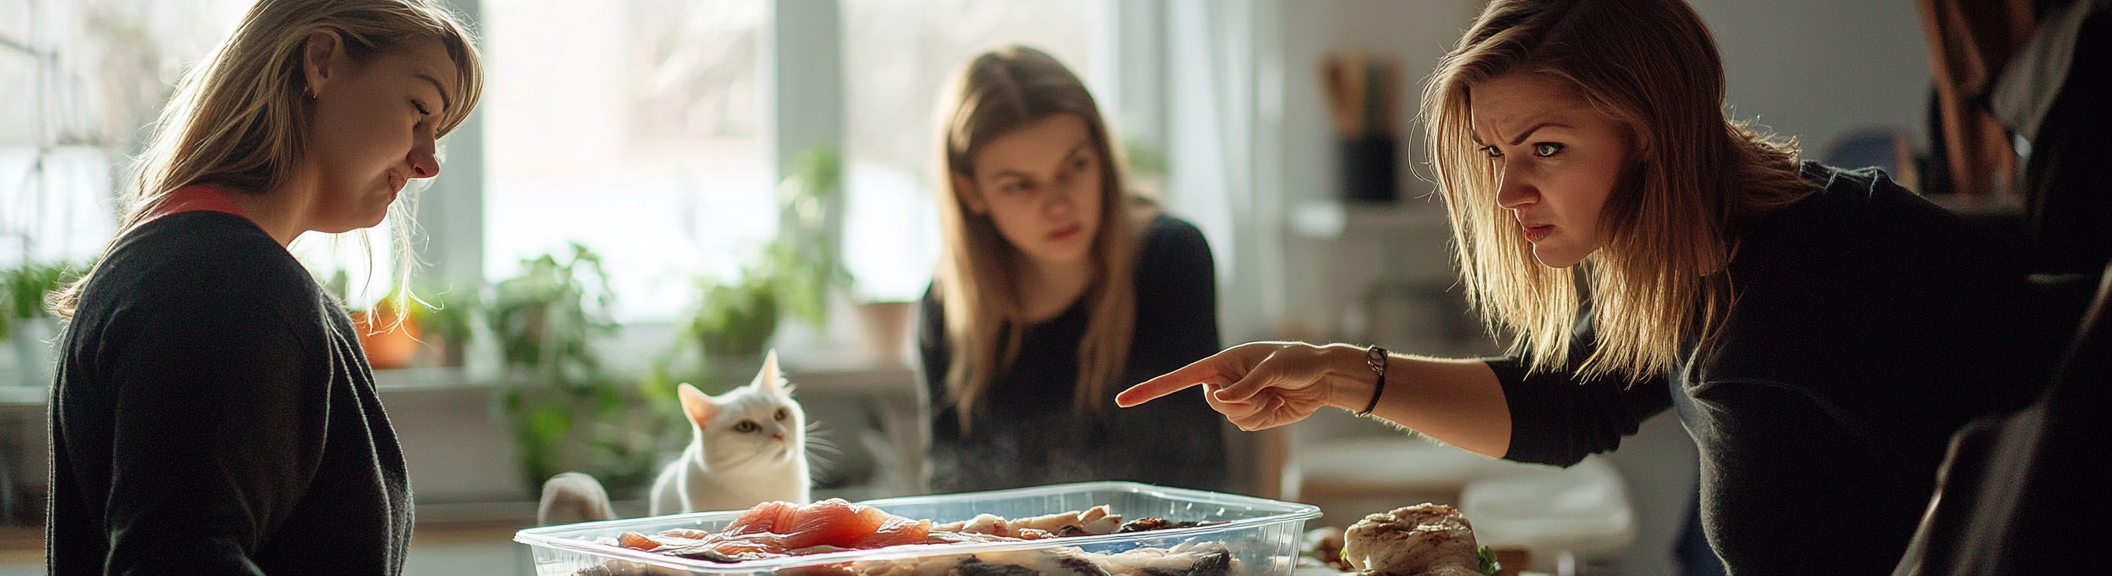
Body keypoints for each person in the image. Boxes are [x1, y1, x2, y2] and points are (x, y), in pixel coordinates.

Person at [1117, 0, 2048, 573]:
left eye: (1546, 148)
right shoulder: (1699, 258)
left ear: (1651, 130)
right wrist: (1339, 373)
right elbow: (1566, 402)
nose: (1508, 190)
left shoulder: (1825, 275)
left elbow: (2025, 507)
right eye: (1494, 152)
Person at [45, 0, 482, 572]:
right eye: (419, 108)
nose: (429, 162)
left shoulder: (208, 268)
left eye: (438, 133)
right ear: (322, 61)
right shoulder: (221, 283)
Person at [918, 45, 1228, 493]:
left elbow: (1196, 471)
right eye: (1020, 185)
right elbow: (948, 489)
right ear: (972, 193)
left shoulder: (1169, 258)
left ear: (1101, 156)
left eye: (1075, 165)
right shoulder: (945, 306)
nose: (1059, 203)